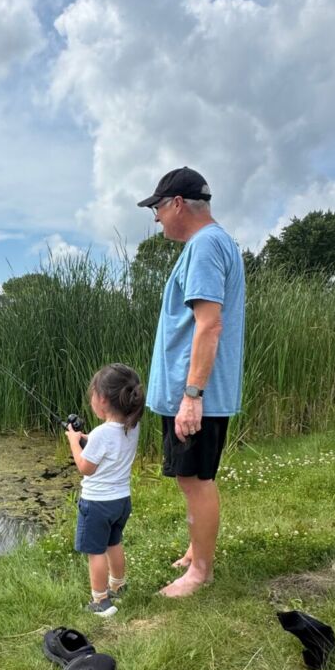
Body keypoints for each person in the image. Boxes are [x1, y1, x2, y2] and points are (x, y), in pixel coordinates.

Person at [137, 166, 245, 598]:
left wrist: (192, 396)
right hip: (194, 392)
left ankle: (200, 572)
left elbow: (209, 325)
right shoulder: (214, 243)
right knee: (192, 476)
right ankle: (194, 550)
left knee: (195, 479)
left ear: (177, 203)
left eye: (158, 209)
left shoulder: (204, 246)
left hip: (197, 393)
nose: (157, 218)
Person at [66, 363, 145, 617]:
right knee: (114, 542)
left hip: (97, 504)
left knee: (96, 551)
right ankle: (118, 585)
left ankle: (100, 601)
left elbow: (85, 467)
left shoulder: (101, 433)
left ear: (101, 399)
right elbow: (109, 448)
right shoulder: (131, 427)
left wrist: (73, 443)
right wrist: (85, 439)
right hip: (121, 501)